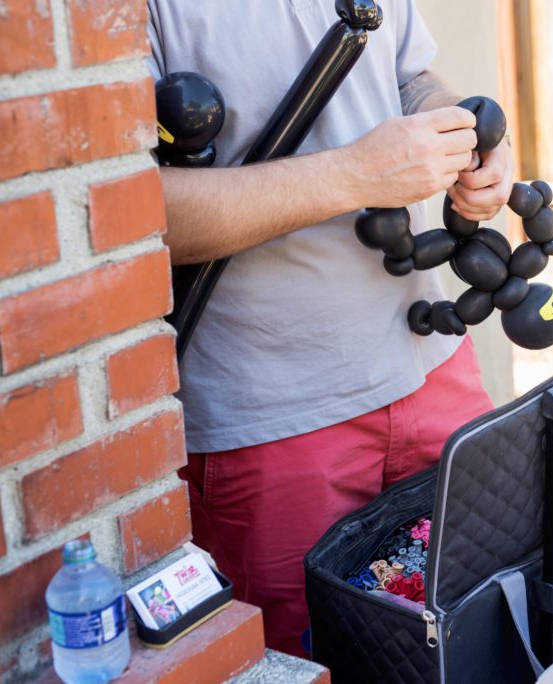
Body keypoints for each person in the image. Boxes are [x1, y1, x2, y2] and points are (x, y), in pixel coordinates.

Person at [146, 0, 513, 656]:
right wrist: (352, 175)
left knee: (475, 627)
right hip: (270, 414)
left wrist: (470, 138)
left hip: (432, 369)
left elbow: (411, 77)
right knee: (297, 660)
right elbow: (139, 213)